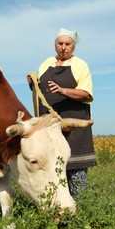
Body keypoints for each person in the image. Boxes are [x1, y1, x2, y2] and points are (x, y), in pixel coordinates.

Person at [27, 27, 96, 200]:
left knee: (76, 172)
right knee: (51, 171)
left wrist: (63, 90)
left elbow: (86, 93)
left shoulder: (80, 65)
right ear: (55, 45)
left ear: (73, 47)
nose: (63, 47)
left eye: (67, 44)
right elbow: (41, 92)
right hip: (50, 128)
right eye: (60, 43)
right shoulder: (46, 63)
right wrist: (32, 83)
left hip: (74, 126)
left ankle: (81, 210)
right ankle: (55, 208)